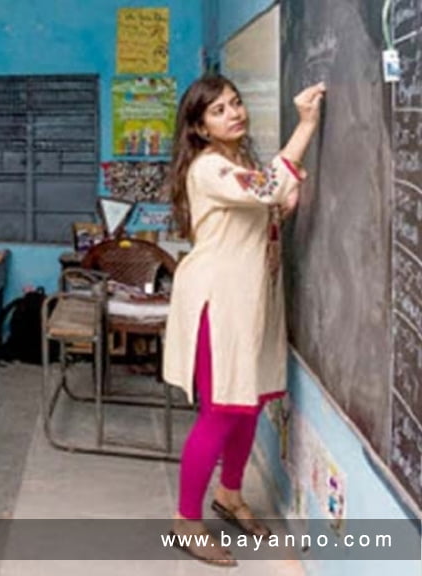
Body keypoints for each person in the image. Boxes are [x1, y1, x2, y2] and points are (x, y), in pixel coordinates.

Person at [162, 75, 324, 566]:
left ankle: (229, 495)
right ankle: (186, 521)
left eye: (235, 103)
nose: (233, 113)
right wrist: (307, 124)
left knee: (249, 404)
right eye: (218, 111)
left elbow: (265, 208)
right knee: (222, 409)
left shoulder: (239, 162)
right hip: (220, 301)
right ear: (201, 129)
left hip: (252, 299)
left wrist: (280, 210)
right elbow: (272, 187)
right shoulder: (210, 166)